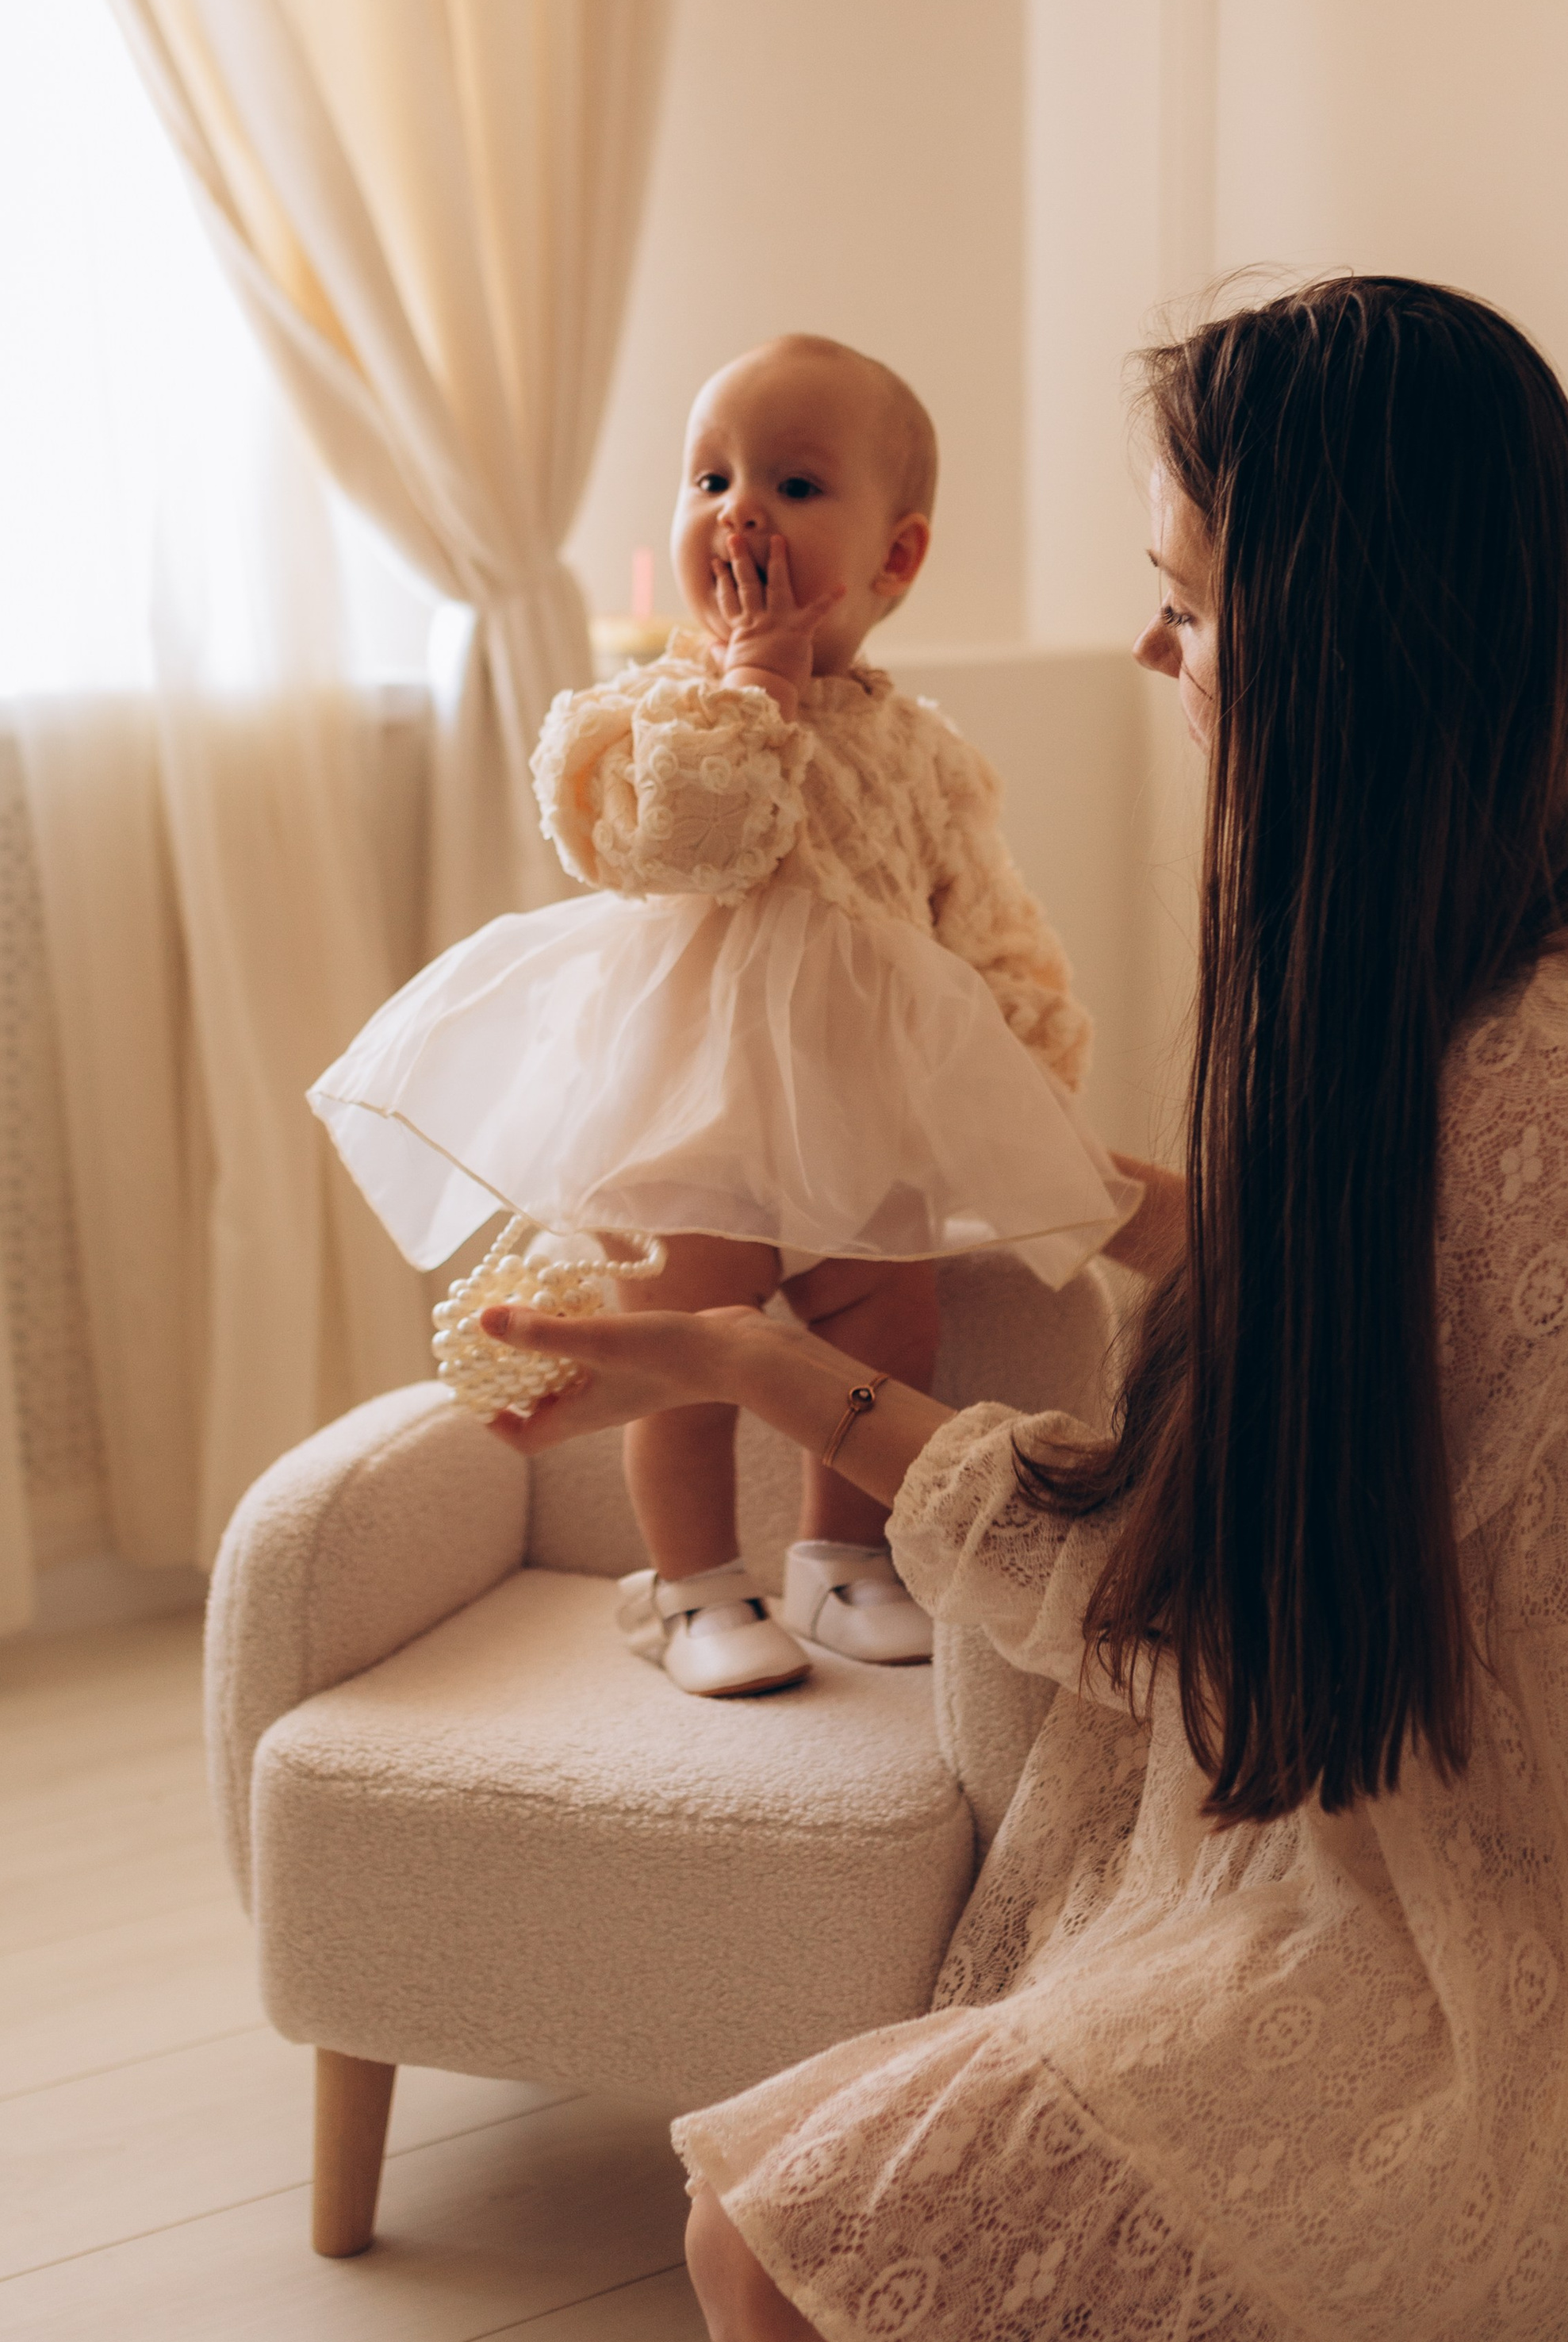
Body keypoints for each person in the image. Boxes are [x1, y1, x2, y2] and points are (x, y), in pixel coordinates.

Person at [469, 277, 1568, 2342]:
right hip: (1454, 1866)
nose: (1167, 669)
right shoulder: (1540, 954)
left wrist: (768, 1371)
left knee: (782, 2312)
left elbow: (1234, 1635)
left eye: (1185, 608)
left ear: (1330, 634)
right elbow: (1348, 1321)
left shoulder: (1531, 1103)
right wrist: (1052, 1191)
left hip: (1531, 1990)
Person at [312, 332, 1140, 1700]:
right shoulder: (654, 708)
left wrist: (1029, 1066)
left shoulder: (921, 747)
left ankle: (844, 1555)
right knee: (683, 1346)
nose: (738, 509)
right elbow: (682, 844)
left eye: (796, 485)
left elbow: (983, 916)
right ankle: (691, 1586)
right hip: (691, 1098)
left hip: (859, 1110)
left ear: (899, 558)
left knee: (888, 1319)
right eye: (709, 477)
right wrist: (749, 683)